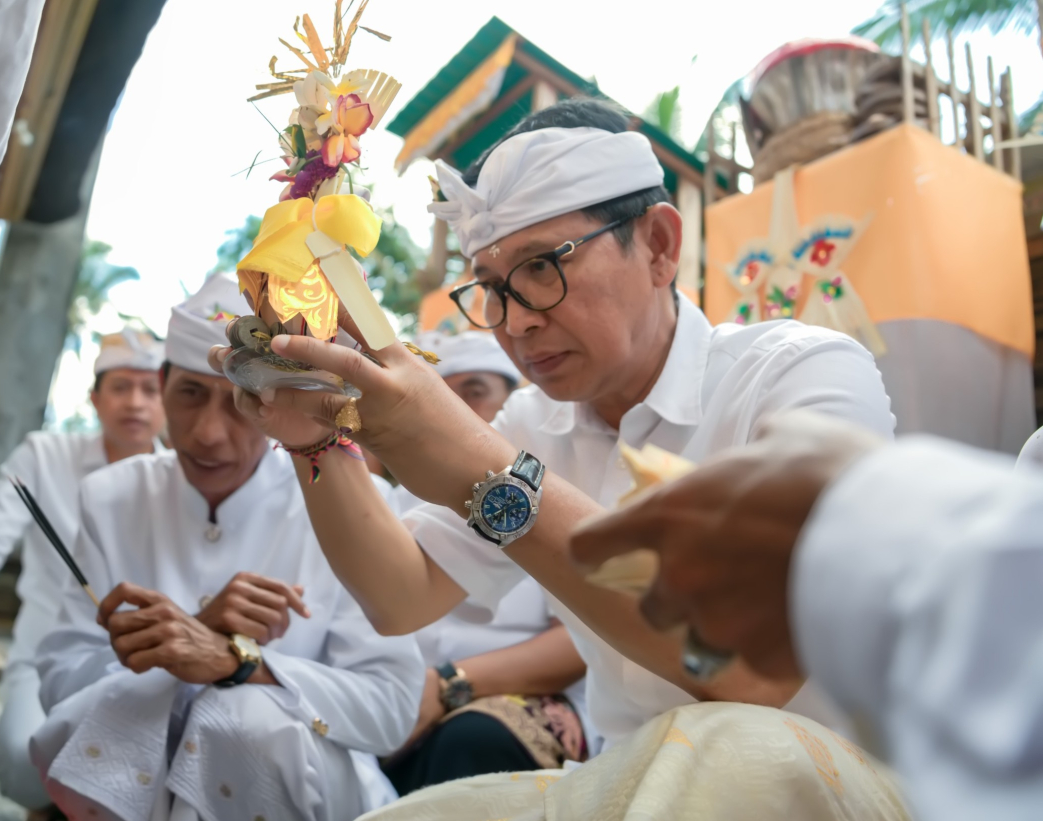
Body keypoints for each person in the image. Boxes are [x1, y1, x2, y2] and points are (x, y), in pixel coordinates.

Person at [212, 98, 896, 749]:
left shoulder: (801, 376)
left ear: (659, 245)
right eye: (492, 287)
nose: (516, 321)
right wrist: (317, 440)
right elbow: (402, 594)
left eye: (542, 267)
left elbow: (758, 665)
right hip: (637, 780)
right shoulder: (533, 422)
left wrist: (486, 469)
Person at [29, 274, 424, 821]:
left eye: (242, 401)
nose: (208, 434)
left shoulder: (358, 507)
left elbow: (389, 712)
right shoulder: (113, 496)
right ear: (162, 384)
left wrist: (240, 664)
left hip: (306, 785)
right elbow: (59, 684)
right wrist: (188, 634)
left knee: (242, 719)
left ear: (277, 405)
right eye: (189, 394)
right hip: (143, 780)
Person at [569, 409, 1043, 821]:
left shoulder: (792, 360)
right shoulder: (531, 418)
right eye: (497, 303)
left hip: (835, 758)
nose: (522, 322)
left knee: (730, 746)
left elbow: (748, 686)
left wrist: (857, 517)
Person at [0, 329, 166, 813]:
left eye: (150, 388)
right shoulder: (45, 456)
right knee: (23, 759)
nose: (135, 402)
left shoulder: (185, 479)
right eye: (120, 387)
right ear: (94, 398)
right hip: (44, 658)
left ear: (168, 399)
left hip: (148, 669)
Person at [383, 330, 590, 795]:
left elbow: (579, 641)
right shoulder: (391, 504)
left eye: (474, 392)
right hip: (405, 700)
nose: (454, 412)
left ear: (512, 404)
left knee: (471, 739)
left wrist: (448, 687)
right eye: (443, 396)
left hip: (512, 698)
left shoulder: (546, 494)